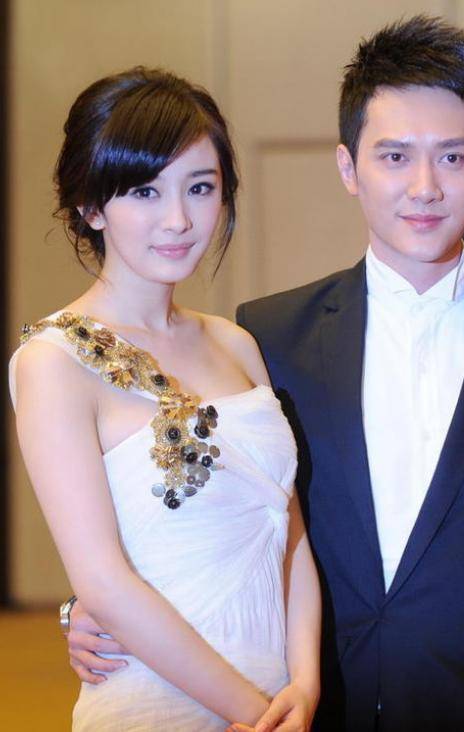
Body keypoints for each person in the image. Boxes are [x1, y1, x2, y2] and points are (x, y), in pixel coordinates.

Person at [66, 17, 464, 732]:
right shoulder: (270, 336)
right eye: (395, 156)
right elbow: (227, 518)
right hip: (318, 708)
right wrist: (87, 610)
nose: (425, 187)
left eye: (452, 157)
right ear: (349, 168)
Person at [10, 67, 320, 731]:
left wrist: (305, 683)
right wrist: (257, 715)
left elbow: (288, 531)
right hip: (158, 704)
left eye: (200, 188)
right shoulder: (53, 363)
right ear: (91, 206)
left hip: (282, 699)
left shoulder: (235, 343)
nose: (179, 219)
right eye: (145, 191)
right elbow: (103, 583)